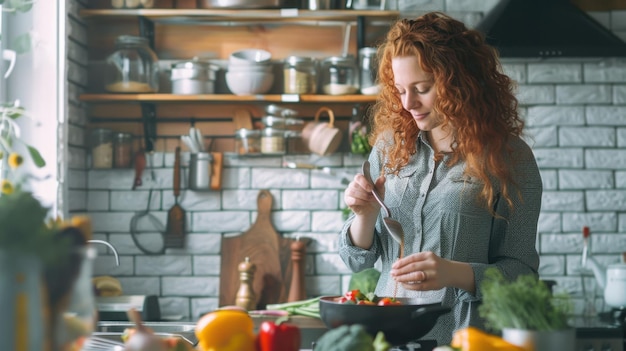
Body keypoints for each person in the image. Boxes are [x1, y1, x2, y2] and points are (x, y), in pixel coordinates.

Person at [339, 12, 542, 346]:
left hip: (464, 338)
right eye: (401, 90)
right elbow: (356, 260)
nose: (408, 103)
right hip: (386, 338)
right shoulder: (389, 146)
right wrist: (364, 216)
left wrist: (454, 273)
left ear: (459, 82)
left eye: (422, 88)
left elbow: (523, 276)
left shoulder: (510, 157)